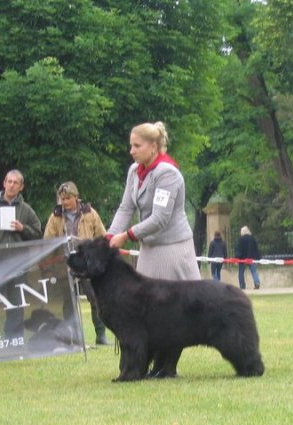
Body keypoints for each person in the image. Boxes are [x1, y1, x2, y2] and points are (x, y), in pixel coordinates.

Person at [106, 121, 200, 376]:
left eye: (137, 146)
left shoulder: (168, 173)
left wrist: (127, 235)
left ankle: (167, 366)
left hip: (173, 248)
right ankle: (149, 364)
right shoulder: (135, 171)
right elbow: (126, 208)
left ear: (154, 146)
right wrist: (110, 234)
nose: (132, 151)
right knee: (149, 312)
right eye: (131, 145)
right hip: (150, 248)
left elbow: (160, 218)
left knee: (174, 310)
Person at [0, 169, 42, 338]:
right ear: (4, 183)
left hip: (19, 266)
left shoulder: (27, 211)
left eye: (15, 183)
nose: (11, 185)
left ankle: (14, 338)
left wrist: (22, 228)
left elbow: (38, 234)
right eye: (9, 181)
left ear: (21, 187)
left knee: (16, 303)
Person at [43, 181, 109, 346]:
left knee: (94, 299)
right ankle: (74, 338)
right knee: (69, 303)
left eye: (68, 198)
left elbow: (102, 235)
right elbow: (48, 242)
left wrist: (100, 256)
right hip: (66, 264)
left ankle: (101, 335)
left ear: (76, 197)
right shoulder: (55, 217)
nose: (64, 202)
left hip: (88, 264)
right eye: (62, 199)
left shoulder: (90, 213)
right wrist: (50, 265)